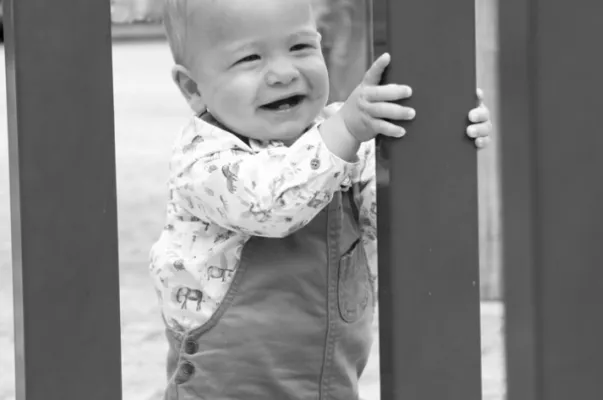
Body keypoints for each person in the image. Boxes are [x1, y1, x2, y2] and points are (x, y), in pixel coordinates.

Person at [149, 0, 492, 398]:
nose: (283, 72)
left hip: (328, 385)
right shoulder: (204, 157)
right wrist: (347, 128)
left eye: (300, 48)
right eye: (249, 58)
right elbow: (272, 203)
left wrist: (447, 135)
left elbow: (395, 212)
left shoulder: (341, 137)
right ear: (193, 88)